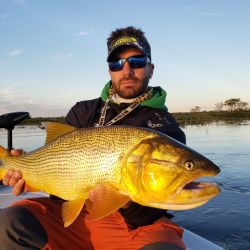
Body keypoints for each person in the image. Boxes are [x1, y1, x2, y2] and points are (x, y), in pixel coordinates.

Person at [0, 26, 186, 250]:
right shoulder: (82, 111)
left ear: (150, 68)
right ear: (110, 71)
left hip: (135, 225)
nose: (126, 70)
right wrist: (27, 177)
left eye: (136, 61)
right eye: (116, 63)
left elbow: (152, 208)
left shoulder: (165, 126)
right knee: (8, 223)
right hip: (78, 217)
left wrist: (115, 197)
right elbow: (56, 177)